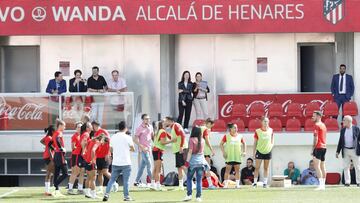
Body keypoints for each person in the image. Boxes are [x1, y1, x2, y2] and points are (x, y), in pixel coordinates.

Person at [103, 121, 135, 202]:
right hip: (126, 162)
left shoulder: (113, 137)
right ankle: (126, 196)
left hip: (116, 162)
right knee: (126, 181)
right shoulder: (128, 137)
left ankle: (106, 194)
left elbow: (111, 149)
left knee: (112, 179)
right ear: (125, 128)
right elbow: (133, 149)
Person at [183, 127, 208, 202]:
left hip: (193, 161)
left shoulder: (191, 139)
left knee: (189, 178)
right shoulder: (203, 140)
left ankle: (189, 195)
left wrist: (187, 162)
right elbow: (202, 152)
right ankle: (198, 197)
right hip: (201, 162)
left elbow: (190, 152)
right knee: (199, 180)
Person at [163, 116, 188, 190]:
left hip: (181, 149)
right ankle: (181, 185)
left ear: (169, 121)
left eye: (165, 121)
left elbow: (183, 135)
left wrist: (181, 147)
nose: (164, 123)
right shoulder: (172, 127)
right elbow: (172, 138)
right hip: (177, 150)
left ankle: (192, 182)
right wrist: (166, 132)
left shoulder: (176, 125)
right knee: (179, 167)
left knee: (183, 166)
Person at [336, 115, 360, 187]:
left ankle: (358, 182)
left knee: (357, 167)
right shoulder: (343, 130)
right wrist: (338, 151)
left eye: (344, 120)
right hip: (345, 150)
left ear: (349, 121)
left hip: (354, 150)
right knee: (346, 167)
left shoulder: (356, 129)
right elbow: (340, 141)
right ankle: (347, 182)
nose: (342, 122)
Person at [220, 123, 246, 188]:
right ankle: (225, 185)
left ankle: (237, 185)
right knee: (227, 171)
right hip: (229, 156)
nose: (236, 129)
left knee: (237, 170)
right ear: (230, 129)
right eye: (234, 127)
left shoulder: (240, 136)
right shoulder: (226, 136)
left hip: (237, 156)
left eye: (236, 128)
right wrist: (224, 152)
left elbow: (244, 143)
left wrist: (244, 151)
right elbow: (221, 144)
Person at [151, 120, 173, 190]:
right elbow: (163, 142)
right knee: (158, 169)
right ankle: (158, 185)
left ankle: (152, 183)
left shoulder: (159, 131)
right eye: (165, 121)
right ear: (163, 124)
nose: (167, 122)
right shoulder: (162, 131)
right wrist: (172, 141)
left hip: (155, 150)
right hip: (158, 151)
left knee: (155, 168)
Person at [252, 117, 274, 188]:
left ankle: (265, 183)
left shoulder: (271, 130)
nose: (266, 123)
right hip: (259, 151)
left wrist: (271, 146)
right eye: (264, 121)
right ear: (261, 122)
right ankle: (255, 183)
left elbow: (272, 140)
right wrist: (254, 153)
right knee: (257, 168)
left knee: (266, 168)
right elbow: (255, 143)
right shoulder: (257, 131)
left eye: (267, 121)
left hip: (268, 151)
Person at [134, 114, 154, 187]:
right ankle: (152, 182)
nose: (147, 120)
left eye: (148, 119)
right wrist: (141, 146)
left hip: (149, 149)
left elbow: (152, 136)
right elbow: (135, 139)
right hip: (143, 150)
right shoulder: (139, 128)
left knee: (142, 166)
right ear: (142, 120)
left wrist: (155, 144)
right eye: (146, 119)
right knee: (149, 164)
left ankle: (136, 181)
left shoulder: (151, 126)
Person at [83, 134, 105, 199]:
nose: (103, 142)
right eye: (103, 140)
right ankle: (93, 195)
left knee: (88, 178)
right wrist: (92, 160)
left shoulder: (91, 141)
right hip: (91, 162)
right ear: (101, 139)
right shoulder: (97, 142)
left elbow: (85, 144)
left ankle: (87, 193)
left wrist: (84, 152)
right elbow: (93, 150)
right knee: (93, 178)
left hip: (87, 161)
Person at [92, 120, 111, 194]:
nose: (93, 127)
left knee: (105, 171)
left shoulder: (104, 131)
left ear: (95, 125)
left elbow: (109, 142)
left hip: (105, 155)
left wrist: (108, 153)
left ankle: (114, 183)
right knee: (99, 172)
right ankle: (100, 188)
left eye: (93, 126)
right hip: (98, 156)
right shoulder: (96, 133)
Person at [68, 122, 85, 195]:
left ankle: (80, 189)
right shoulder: (75, 136)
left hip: (82, 156)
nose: (79, 128)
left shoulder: (83, 135)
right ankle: (70, 189)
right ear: (75, 128)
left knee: (82, 172)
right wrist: (79, 147)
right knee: (75, 172)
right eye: (78, 127)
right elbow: (72, 147)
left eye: (80, 127)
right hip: (76, 155)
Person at [311, 111, 327, 190]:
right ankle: (323, 185)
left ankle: (321, 185)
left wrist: (312, 148)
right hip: (324, 147)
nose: (312, 117)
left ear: (318, 116)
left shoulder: (316, 125)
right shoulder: (323, 125)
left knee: (317, 166)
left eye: (314, 116)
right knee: (323, 166)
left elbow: (315, 138)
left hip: (318, 147)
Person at [52, 119, 68, 197]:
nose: (65, 127)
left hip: (56, 155)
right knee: (65, 173)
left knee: (56, 173)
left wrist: (54, 148)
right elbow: (58, 140)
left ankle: (56, 191)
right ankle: (55, 185)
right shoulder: (59, 133)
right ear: (60, 126)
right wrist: (61, 148)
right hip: (60, 155)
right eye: (64, 126)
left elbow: (50, 144)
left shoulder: (55, 133)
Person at [199, 118, 216, 189]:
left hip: (198, 152)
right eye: (211, 125)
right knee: (207, 168)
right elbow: (207, 140)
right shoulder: (206, 129)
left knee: (199, 169)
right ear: (209, 123)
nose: (211, 127)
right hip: (205, 152)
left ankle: (198, 184)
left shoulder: (199, 128)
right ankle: (210, 184)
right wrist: (212, 149)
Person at [40, 125, 55, 196]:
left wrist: (46, 145)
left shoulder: (47, 137)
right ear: (52, 131)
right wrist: (52, 159)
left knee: (49, 173)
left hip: (46, 156)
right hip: (49, 157)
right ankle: (48, 191)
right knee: (50, 173)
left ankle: (47, 191)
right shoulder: (49, 138)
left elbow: (41, 141)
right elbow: (49, 149)